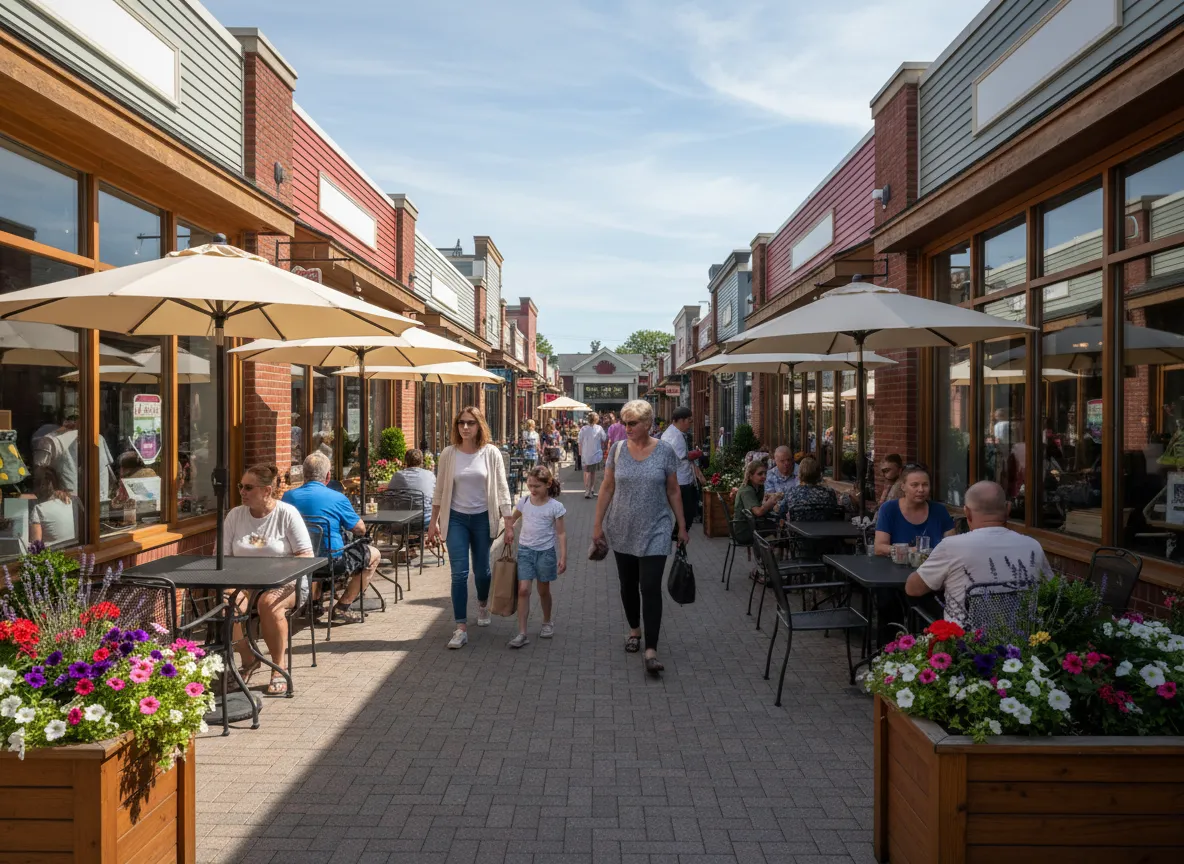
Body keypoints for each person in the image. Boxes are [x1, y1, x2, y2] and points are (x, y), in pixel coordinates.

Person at [593, 399, 687, 676]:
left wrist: (681, 526)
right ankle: (635, 629)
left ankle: (651, 649)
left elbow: (673, 491)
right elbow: (607, 487)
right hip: (622, 527)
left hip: (656, 528)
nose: (627, 427)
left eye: (632, 423)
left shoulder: (665, 451)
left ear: (648, 423)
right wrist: (597, 524)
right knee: (628, 585)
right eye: (624, 422)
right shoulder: (618, 450)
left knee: (650, 587)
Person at [426, 407, 513, 650]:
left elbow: (502, 488)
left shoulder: (491, 453)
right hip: (456, 519)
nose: (465, 427)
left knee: (483, 571)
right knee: (460, 573)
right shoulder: (448, 454)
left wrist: (508, 522)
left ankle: (483, 603)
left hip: (483, 519)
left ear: (480, 426)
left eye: (471, 423)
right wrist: (433, 523)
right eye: (461, 423)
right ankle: (460, 627)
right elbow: (439, 491)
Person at [222, 464, 314, 696]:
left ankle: (278, 666)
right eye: (240, 486)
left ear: (267, 490)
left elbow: (305, 555)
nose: (242, 491)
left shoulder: (287, 513)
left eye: (248, 487)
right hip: (244, 580)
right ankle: (249, 659)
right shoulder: (235, 515)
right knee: (228, 606)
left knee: (268, 605)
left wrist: (282, 574)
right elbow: (222, 557)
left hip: (284, 580)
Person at [906, 481, 1052, 623]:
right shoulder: (1033, 546)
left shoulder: (951, 546)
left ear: (967, 512)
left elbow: (913, 589)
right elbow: (1050, 590)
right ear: (1008, 508)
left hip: (966, 644)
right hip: (1022, 643)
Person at [283, 452, 381, 626]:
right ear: (328, 476)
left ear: (304, 474)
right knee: (373, 554)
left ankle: (314, 604)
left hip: (298, 561)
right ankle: (342, 607)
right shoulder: (337, 498)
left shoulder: (288, 497)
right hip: (331, 561)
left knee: (318, 550)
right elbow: (360, 529)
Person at [507, 465, 567, 648]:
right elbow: (513, 517)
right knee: (523, 589)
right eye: (530, 485)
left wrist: (563, 557)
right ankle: (522, 632)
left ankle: (547, 621)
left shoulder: (556, 507)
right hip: (525, 551)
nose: (532, 490)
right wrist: (509, 530)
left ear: (548, 484)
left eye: (537, 486)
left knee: (543, 591)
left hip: (546, 553)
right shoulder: (524, 502)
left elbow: (561, 534)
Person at [874, 464, 956, 555]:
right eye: (914, 485)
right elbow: (879, 547)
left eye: (925, 485)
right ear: (903, 487)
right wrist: (908, 551)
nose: (921, 489)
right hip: (897, 566)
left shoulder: (940, 511)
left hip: (933, 567)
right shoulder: (889, 509)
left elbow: (952, 546)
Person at [661, 406, 703, 528]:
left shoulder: (673, 433)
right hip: (680, 481)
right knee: (686, 514)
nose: (690, 425)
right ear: (681, 420)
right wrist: (697, 454)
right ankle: (679, 539)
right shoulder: (675, 436)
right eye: (689, 421)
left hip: (680, 479)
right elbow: (682, 456)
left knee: (686, 514)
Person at [29, 466, 81, 547]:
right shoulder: (75, 501)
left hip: (52, 556)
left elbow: (36, 548)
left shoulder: (39, 509)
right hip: (77, 551)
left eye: (35, 483)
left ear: (42, 485)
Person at [733, 459, 781, 544]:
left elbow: (760, 505)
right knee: (779, 531)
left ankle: (769, 553)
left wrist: (767, 500)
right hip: (743, 532)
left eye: (765, 473)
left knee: (777, 527)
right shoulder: (747, 490)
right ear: (750, 476)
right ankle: (768, 554)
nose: (764, 476)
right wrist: (768, 503)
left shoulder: (759, 486)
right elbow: (758, 512)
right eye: (760, 474)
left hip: (753, 525)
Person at [783, 456, 839, 521]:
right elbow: (834, 510)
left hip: (798, 529)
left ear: (799, 475)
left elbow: (782, 512)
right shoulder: (829, 492)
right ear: (819, 475)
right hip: (825, 529)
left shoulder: (792, 492)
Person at [387, 449, 435, 522]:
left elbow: (389, 495)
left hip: (403, 520)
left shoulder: (398, 475)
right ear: (422, 461)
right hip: (426, 520)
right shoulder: (430, 475)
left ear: (405, 461)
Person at [578, 413, 606, 499]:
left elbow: (580, 441)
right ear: (596, 419)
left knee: (587, 472)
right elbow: (604, 438)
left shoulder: (583, 429)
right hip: (595, 454)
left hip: (586, 454)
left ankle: (588, 490)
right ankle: (590, 489)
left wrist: (580, 452)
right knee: (592, 473)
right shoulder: (599, 428)